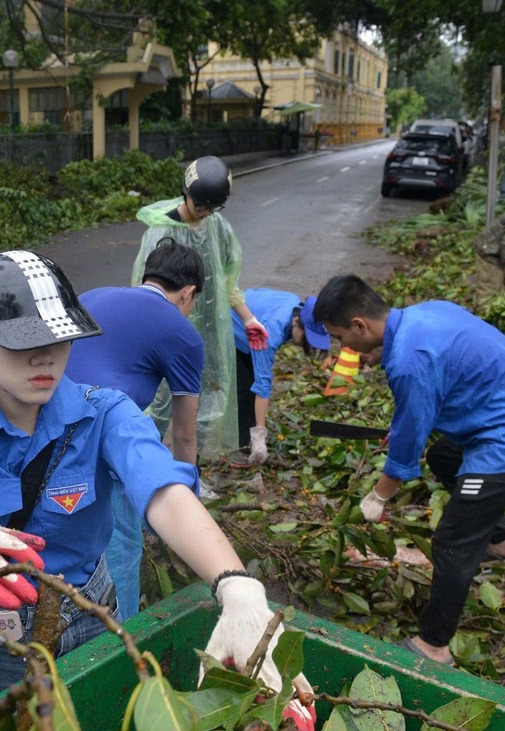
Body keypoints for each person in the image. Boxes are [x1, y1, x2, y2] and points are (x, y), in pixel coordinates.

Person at [0, 250, 315, 731]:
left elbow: (163, 491)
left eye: (60, 338)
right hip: (1, 637)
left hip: (91, 612)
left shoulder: (105, 412)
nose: (46, 357)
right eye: (25, 342)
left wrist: (235, 585)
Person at [312, 274, 505, 666]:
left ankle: (434, 644)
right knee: (444, 458)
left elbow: (408, 443)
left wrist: (378, 496)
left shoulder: (410, 361)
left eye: (340, 336)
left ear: (359, 325)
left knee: (453, 540)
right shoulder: (425, 313)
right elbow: (425, 402)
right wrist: (404, 428)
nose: (343, 347)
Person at [66, 237, 207, 618]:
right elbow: (184, 433)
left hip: (41, 427)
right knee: (121, 545)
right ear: (188, 293)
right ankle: (119, 646)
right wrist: (188, 499)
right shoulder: (182, 333)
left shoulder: (94, 296)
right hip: (95, 442)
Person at [131, 156, 268, 479]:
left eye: (212, 207)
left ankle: (190, 474)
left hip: (207, 334)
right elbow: (145, 289)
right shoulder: (161, 231)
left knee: (203, 405)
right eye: (200, 205)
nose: (204, 212)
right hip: (165, 333)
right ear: (185, 193)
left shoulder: (216, 226)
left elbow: (227, 279)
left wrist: (248, 319)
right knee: (159, 405)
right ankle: (142, 474)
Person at [229, 290, 333, 464]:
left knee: (251, 384)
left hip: (253, 324)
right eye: (306, 337)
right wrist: (260, 435)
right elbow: (263, 385)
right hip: (232, 327)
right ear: (295, 322)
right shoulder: (271, 331)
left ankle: (248, 438)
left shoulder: (296, 305)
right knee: (246, 388)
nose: (306, 343)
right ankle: (240, 446)